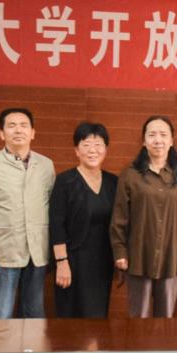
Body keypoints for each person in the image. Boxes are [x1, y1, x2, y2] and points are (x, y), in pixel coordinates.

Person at [110, 115, 177, 318]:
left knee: (165, 319)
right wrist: (120, 251)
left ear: (171, 141)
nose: (158, 140)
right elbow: (120, 216)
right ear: (144, 141)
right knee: (137, 318)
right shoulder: (130, 174)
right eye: (152, 135)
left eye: (163, 135)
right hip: (138, 257)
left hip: (171, 258)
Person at [0, 108, 55, 318]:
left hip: (38, 252)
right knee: (2, 316)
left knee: (35, 315)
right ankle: (2, 343)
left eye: (23, 125)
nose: (18, 130)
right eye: (11, 126)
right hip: (4, 252)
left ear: (33, 132)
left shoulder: (46, 165)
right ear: (2, 133)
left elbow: (52, 209)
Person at [50, 122, 118, 318]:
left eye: (98, 145)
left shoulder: (114, 182)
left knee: (97, 316)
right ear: (76, 150)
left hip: (103, 262)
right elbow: (56, 224)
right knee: (71, 317)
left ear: (106, 149)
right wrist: (61, 262)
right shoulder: (64, 181)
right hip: (72, 261)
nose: (92, 150)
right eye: (86, 144)